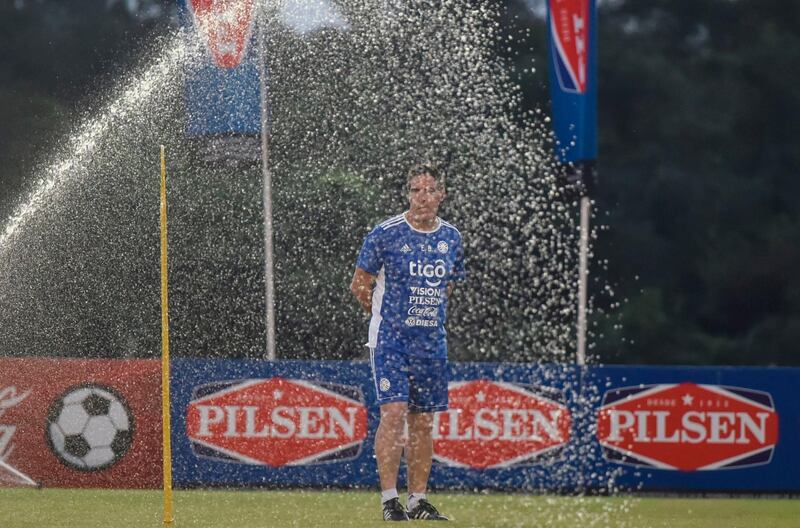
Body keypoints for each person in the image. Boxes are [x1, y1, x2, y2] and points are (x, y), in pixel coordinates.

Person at [350, 163, 465, 521]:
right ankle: (389, 500)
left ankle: (418, 500)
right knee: (394, 413)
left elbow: (448, 287)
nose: (422, 197)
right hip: (390, 342)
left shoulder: (452, 238)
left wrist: (425, 320)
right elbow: (359, 285)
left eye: (429, 190)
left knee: (423, 422)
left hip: (430, 345)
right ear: (407, 195)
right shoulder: (386, 233)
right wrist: (387, 319)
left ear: (441, 195)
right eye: (415, 190)